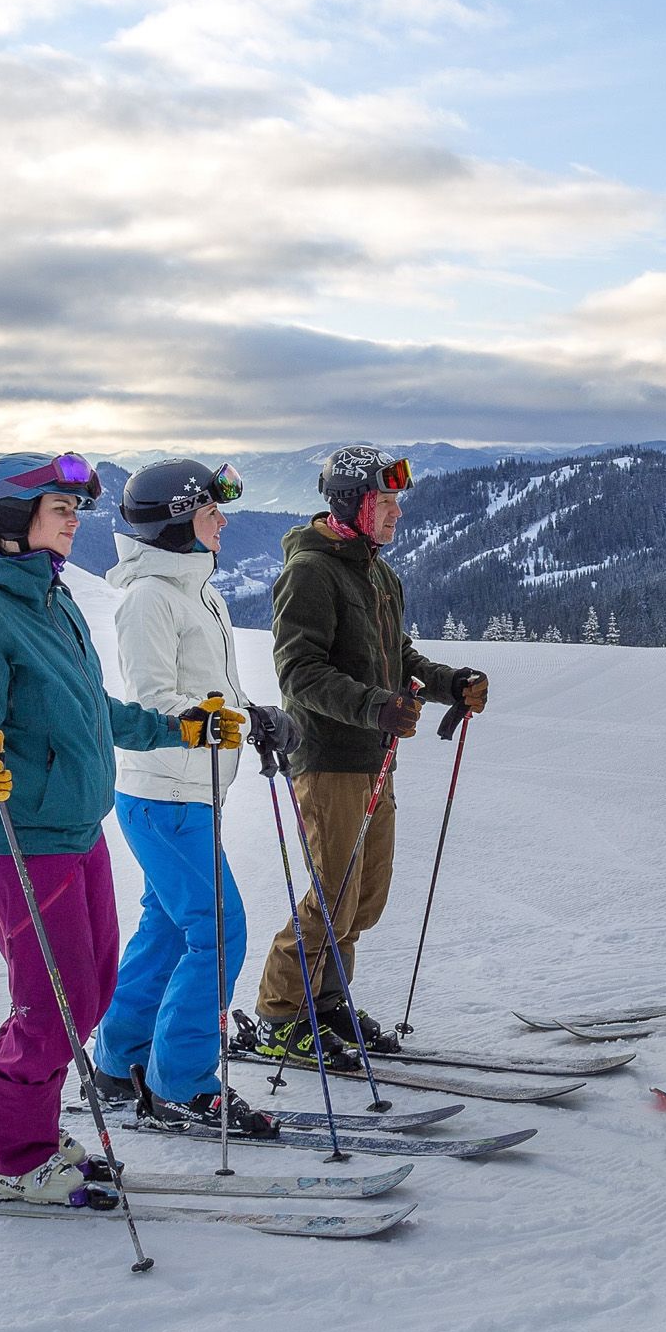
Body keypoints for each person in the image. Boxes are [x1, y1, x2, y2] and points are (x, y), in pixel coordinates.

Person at [0, 453, 246, 1204]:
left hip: (77, 829)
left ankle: (15, 1128)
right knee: (52, 1005)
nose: (76, 521)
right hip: (18, 837)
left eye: (77, 508)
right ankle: (7, 1156)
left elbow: (95, 710)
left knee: (92, 990)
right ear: (15, 517)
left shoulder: (53, 600)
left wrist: (183, 727)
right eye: (59, 507)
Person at [243, 445, 487, 1064]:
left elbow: (397, 657)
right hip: (327, 758)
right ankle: (280, 1015)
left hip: (375, 757)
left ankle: (328, 1004)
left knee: (365, 897)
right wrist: (375, 706)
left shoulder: (376, 571)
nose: (397, 513)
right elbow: (299, 673)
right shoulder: (311, 572)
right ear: (352, 503)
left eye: (397, 500)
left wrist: (448, 682)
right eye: (386, 501)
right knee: (332, 894)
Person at [89, 457, 294, 1138]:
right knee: (216, 928)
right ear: (178, 522)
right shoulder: (151, 599)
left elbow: (210, 694)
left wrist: (252, 714)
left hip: (189, 795)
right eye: (211, 512)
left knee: (170, 927)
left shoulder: (197, 591)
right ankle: (180, 1082)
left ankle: (121, 1063)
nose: (224, 522)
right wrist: (225, 723)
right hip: (163, 794)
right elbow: (154, 702)